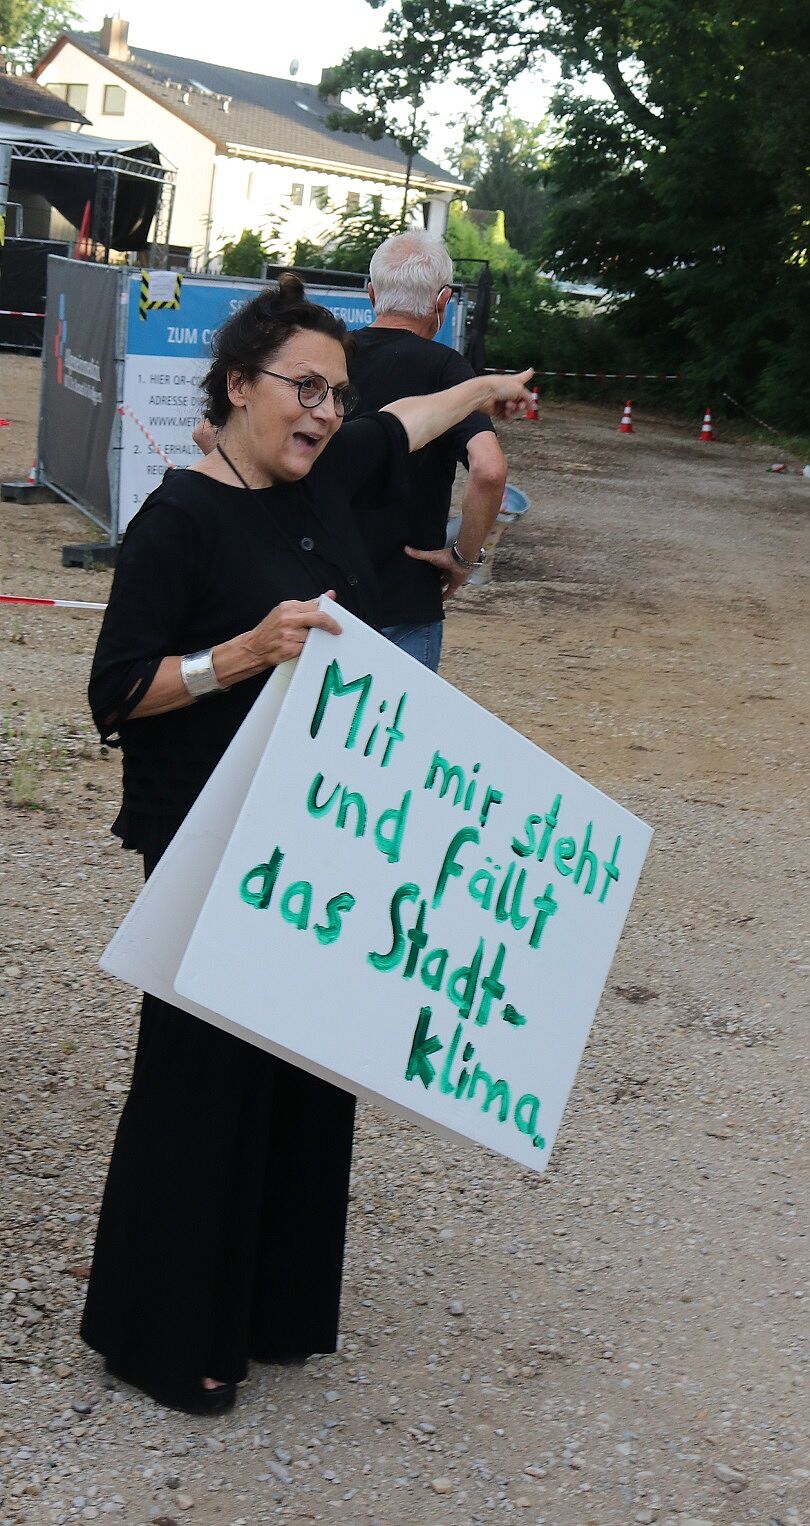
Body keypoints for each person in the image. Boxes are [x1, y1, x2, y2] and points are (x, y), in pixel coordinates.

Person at [82, 273, 532, 1416]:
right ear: (238, 387)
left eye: (334, 393)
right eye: (304, 389)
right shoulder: (177, 518)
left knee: (300, 1074)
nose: (326, 412)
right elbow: (117, 689)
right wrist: (236, 655)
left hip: (312, 837)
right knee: (203, 1084)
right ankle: (160, 1330)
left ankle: (272, 1311)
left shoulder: (327, 480)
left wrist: (481, 384)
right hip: (203, 833)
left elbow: (407, 424)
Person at [350, 229, 509, 671]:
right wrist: (463, 557)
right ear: (443, 302)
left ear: (371, 293)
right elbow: (490, 471)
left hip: (313, 591)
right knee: (393, 739)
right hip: (405, 594)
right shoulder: (449, 371)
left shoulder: (326, 359)